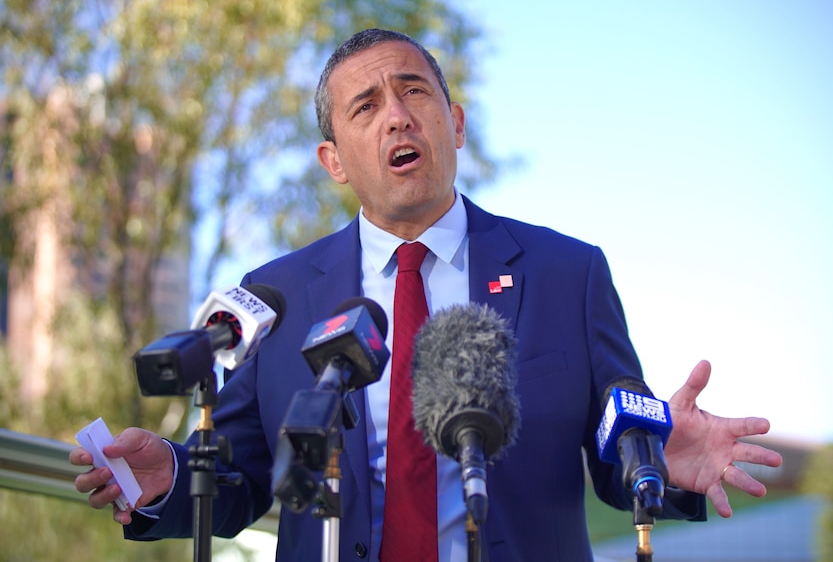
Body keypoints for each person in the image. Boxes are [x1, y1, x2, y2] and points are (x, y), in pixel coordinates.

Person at [70, 28, 783, 562]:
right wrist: (167, 473)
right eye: (366, 106)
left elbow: (614, 450)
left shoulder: (568, 272)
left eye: (414, 91)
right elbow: (242, 474)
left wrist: (659, 459)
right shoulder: (276, 296)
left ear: (457, 122)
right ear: (335, 162)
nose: (398, 116)